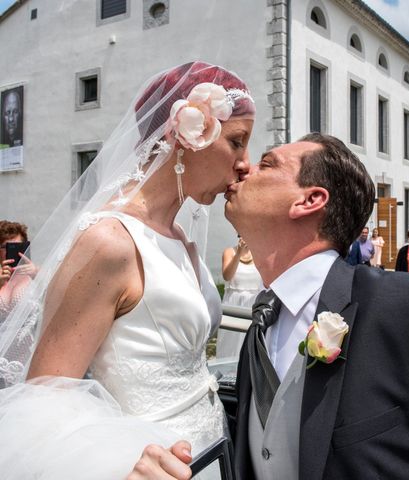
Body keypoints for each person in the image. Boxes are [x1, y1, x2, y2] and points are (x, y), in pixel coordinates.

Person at [139, 133, 409, 479]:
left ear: (309, 200)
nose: (244, 167)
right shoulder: (261, 323)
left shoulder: (404, 308)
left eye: (268, 163)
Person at [0, 62, 256, 478]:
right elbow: (46, 397)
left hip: (210, 456)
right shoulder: (110, 241)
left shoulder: (180, 237)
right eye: (237, 142)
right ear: (184, 136)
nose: (245, 163)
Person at [0, 220, 37, 322]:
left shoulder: (35, 273)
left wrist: (37, 275)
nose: (10, 252)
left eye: (16, 247)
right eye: (6, 247)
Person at [222, 235, 263, 308]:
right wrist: (238, 253)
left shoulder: (261, 253)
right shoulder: (229, 252)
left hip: (254, 302)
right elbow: (227, 277)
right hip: (232, 303)